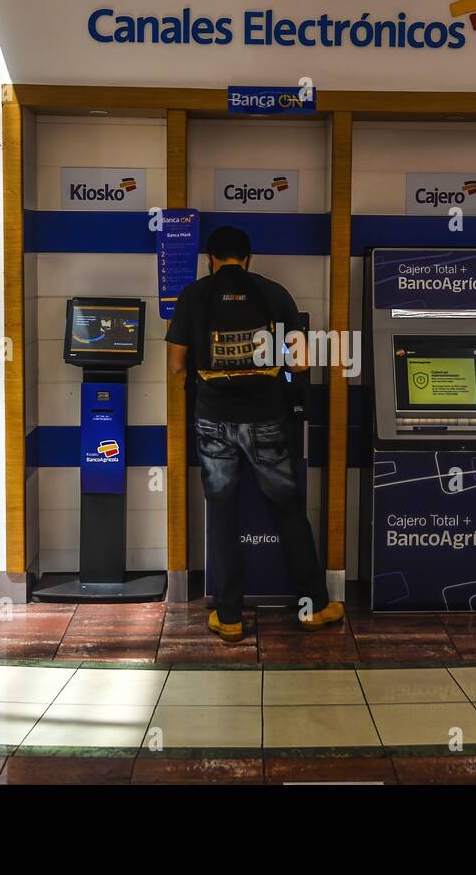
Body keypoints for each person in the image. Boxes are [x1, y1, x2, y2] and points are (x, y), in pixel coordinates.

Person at [165, 225, 343, 642]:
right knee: (288, 510)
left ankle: (228, 617)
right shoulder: (273, 292)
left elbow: (175, 365)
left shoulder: (194, 295)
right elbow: (299, 363)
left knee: (222, 514)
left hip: (213, 421)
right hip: (266, 419)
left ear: (210, 259)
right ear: (248, 258)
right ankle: (313, 607)